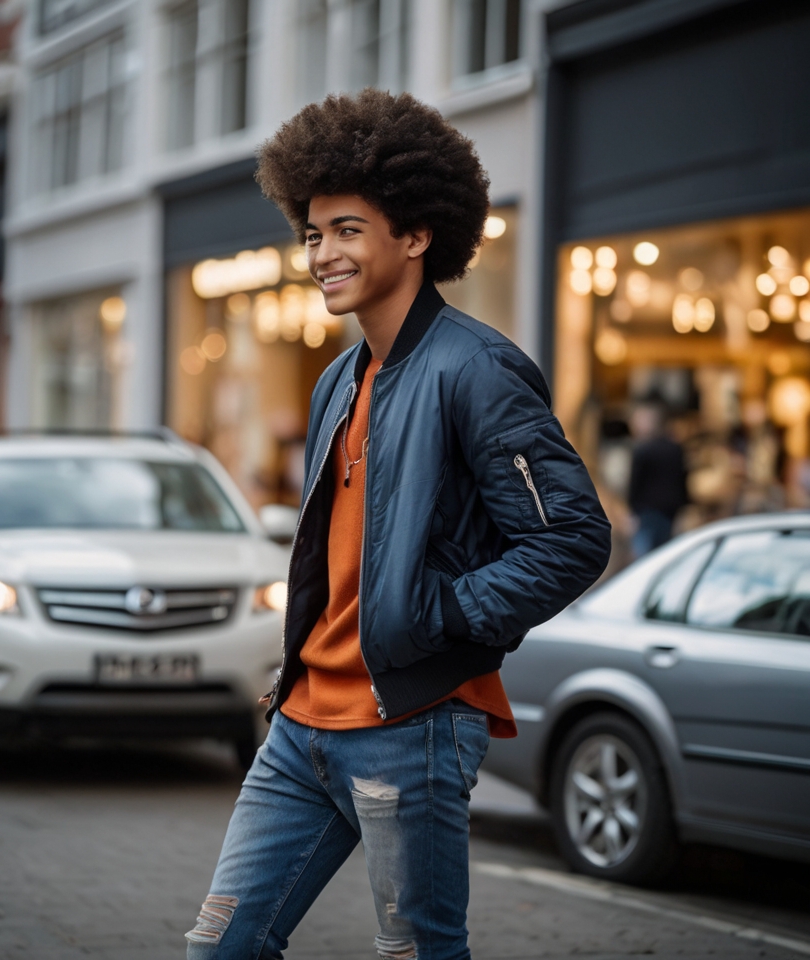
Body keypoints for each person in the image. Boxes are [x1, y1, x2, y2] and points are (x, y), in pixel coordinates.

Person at [186, 90, 611, 960]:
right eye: (311, 234)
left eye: (346, 228)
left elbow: (571, 538)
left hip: (407, 725)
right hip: (300, 725)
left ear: (415, 234)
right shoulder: (337, 381)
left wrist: (441, 617)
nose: (322, 253)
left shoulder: (478, 368)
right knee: (220, 948)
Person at [627, 399, 687, 558]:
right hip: (669, 511)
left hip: (646, 512)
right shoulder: (675, 448)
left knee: (643, 561)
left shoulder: (643, 449)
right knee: (664, 557)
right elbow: (682, 481)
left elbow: (635, 484)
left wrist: (633, 511)